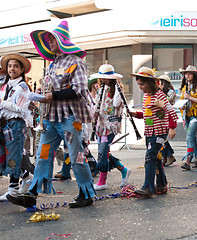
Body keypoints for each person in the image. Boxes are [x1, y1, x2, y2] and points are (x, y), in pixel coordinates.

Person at [6, 20, 95, 208]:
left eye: (52, 39)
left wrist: (50, 96)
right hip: (51, 121)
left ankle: (86, 194)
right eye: (48, 40)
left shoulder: (75, 62)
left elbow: (78, 90)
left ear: (62, 40)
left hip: (71, 120)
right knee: (42, 155)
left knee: (77, 155)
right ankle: (32, 195)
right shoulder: (52, 64)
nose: (49, 42)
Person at [131, 67, 178, 196]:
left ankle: (148, 187)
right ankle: (162, 185)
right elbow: (149, 114)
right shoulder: (146, 96)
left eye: (142, 84)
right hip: (149, 132)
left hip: (158, 133)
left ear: (150, 82)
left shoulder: (160, 96)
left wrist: (172, 128)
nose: (140, 87)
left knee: (149, 157)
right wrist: (136, 114)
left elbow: (171, 112)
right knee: (156, 158)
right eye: (138, 84)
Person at [91, 64, 131, 191]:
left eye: (106, 78)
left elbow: (115, 104)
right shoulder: (101, 89)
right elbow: (96, 105)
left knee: (102, 152)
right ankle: (123, 170)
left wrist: (117, 90)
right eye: (102, 78)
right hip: (100, 124)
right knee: (104, 152)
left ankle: (102, 181)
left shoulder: (117, 89)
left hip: (110, 125)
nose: (103, 80)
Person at [0, 54, 34, 201]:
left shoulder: (23, 87)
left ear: (21, 70)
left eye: (15, 66)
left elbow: (21, 109)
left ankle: (13, 187)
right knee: (5, 155)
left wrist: (2, 103)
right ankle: (26, 176)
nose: (12, 69)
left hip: (15, 124)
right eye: (9, 66)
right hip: (4, 124)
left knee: (13, 155)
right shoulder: (6, 86)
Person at [179, 65, 197, 170]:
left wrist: (190, 98)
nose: (187, 75)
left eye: (190, 73)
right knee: (192, 138)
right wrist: (182, 106)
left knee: (189, 136)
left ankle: (188, 161)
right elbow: (182, 100)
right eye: (186, 73)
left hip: (196, 116)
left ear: (194, 75)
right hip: (186, 116)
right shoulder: (183, 88)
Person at [158, 74, 177, 166]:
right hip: (161, 116)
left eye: (160, 82)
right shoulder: (160, 92)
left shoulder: (171, 92)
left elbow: (165, 102)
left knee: (163, 138)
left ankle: (168, 156)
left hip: (169, 115)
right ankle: (167, 157)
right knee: (162, 138)